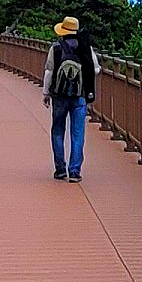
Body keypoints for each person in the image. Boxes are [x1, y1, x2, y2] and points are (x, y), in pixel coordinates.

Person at [41, 16, 97, 181]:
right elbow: (95, 69)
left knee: (58, 131)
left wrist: (46, 93)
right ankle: (74, 171)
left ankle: (60, 169)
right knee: (77, 133)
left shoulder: (56, 48)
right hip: (79, 96)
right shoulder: (85, 47)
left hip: (60, 96)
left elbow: (49, 71)